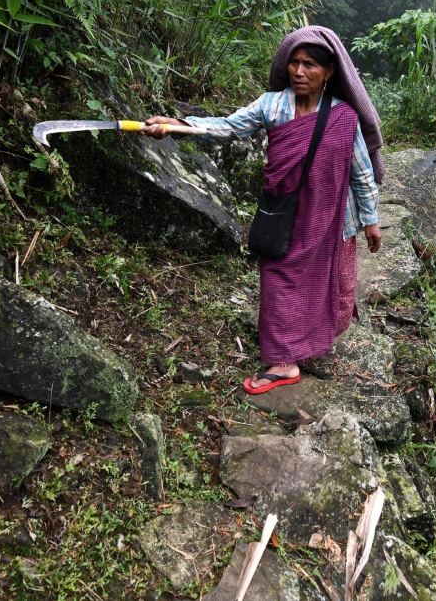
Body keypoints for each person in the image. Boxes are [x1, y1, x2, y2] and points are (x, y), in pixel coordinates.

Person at [144, 26, 384, 394]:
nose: (299, 72)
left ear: (330, 72)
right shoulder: (272, 105)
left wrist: (370, 221)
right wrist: (180, 126)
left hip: (333, 219)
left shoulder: (343, 117)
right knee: (278, 281)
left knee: (332, 284)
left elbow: (361, 172)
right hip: (284, 215)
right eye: (294, 63)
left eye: (309, 65)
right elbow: (227, 127)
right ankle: (284, 361)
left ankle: (309, 342)